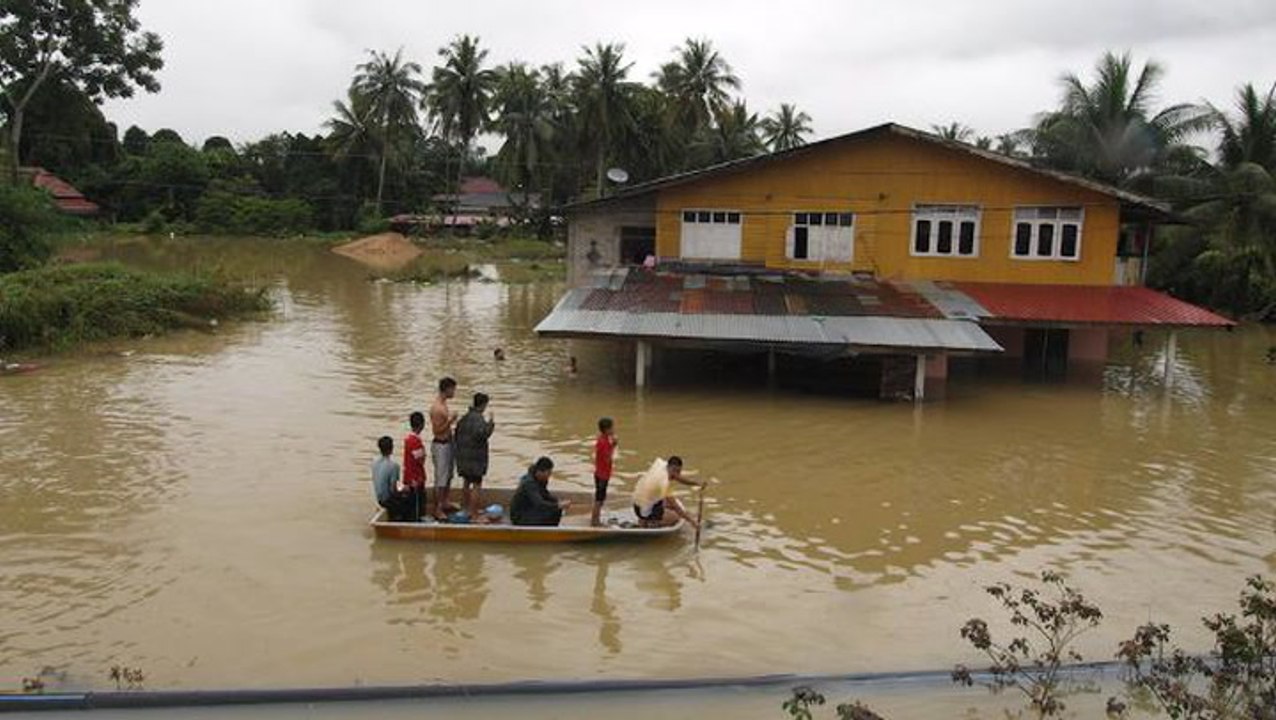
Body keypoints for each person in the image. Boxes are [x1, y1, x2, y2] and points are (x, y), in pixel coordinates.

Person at [454, 392, 496, 518]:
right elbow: (483, 434)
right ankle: (473, 513)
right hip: (475, 459)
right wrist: (491, 423)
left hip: (463, 458)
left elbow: (456, 435)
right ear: (483, 405)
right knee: (476, 485)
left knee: (466, 482)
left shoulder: (464, 418)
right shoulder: (479, 419)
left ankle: (465, 510)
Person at [632, 456, 702, 529]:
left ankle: (643, 519)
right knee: (676, 517)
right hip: (644, 509)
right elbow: (676, 507)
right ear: (673, 469)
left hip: (637, 506)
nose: (678, 475)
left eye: (679, 472)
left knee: (665, 503)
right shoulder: (664, 482)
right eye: (677, 471)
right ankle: (651, 523)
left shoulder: (661, 465)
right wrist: (692, 521)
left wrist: (696, 483)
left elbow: (676, 477)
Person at [428, 377, 459, 521]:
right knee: (441, 479)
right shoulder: (437, 408)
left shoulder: (444, 404)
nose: (454, 392)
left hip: (448, 443)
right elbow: (437, 430)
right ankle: (438, 508)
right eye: (453, 389)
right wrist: (451, 421)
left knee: (448, 476)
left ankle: (445, 501)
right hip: (440, 445)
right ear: (446, 389)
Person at [510, 457, 571, 527]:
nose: (549, 476)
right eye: (548, 473)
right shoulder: (529, 484)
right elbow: (540, 504)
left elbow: (545, 494)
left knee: (556, 510)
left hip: (530, 508)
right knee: (555, 512)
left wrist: (557, 501)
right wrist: (558, 505)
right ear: (540, 471)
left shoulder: (541, 479)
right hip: (520, 517)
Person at [372, 436, 414, 522]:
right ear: (391, 448)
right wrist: (407, 488)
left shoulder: (374, 463)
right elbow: (394, 489)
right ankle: (406, 521)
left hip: (379, 498)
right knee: (411, 498)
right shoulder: (394, 466)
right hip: (387, 500)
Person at [591, 417, 618, 527]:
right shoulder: (603, 442)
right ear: (606, 430)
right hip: (602, 475)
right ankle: (595, 521)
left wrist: (613, 445)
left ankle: (596, 518)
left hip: (601, 473)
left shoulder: (603, 439)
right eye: (612, 428)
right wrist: (613, 446)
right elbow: (607, 458)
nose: (613, 430)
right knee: (599, 499)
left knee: (601, 497)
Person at [401, 412, 428, 522]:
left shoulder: (408, 440)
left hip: (409, 476)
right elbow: (420, 460)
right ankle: (416, 522)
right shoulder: (415, 442)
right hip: (416, 479)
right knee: (417, 505)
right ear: (422, 425)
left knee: (412, 502)